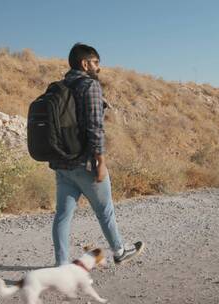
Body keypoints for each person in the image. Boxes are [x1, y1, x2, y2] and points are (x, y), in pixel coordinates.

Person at [49, 43, 143, 266]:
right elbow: (95, 127)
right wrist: (100, 162)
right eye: (96, 63)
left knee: (62, 215)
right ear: (85, 63)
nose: (98, 68)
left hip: (62, 163)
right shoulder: (89, 86)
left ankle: (61, 265)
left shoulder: (59, 86)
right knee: (105, 211)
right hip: (86, 164)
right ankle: (119, 251)